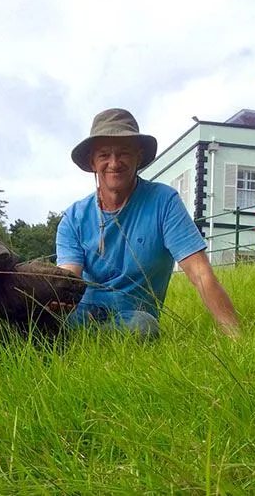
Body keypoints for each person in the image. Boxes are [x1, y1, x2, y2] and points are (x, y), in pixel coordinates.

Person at [56, 108, 240, 337]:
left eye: (123, 153)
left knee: (143, 326)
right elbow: (67, 278)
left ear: (138, 157)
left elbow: (199, 271)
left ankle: (78, 340)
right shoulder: (73, 217)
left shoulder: (164, 201)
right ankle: (77, 337)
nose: (114, 163)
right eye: (104, 155)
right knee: (43, 320)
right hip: (83, 313)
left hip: (134, 316)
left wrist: (235, 336)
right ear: (92, 162)